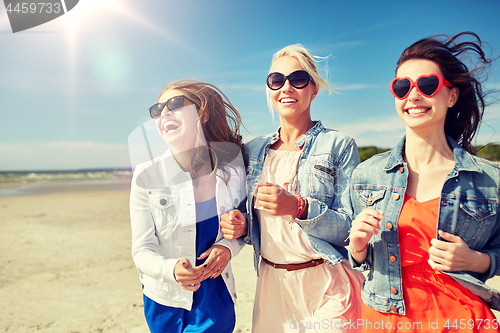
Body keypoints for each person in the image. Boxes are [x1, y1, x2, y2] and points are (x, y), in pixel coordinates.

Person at [349, 32, 500, 332]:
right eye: (402, 87)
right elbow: (363, 260)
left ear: (452, 95)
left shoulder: (489, 179)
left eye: (427, 85)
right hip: (386, 323)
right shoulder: (366, 176)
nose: (413, 96)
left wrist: (476, 261)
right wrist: (357, 247)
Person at [220, 44, 364, 332]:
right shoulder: (253, 149)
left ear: (314, 89)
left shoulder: (338, 144)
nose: (286, 87)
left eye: (298, 79)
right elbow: (251, 221)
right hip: (272, 285)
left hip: (327, 282)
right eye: (276, 80)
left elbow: (350, 228)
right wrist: (238, 223)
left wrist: (299, 207)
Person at [130, 79, 246, 333]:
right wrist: (170, 269)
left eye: (175, 104)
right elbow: (141, 250)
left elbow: (242, 230)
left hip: (215, 298)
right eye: (158, 110)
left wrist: (228, 247)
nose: (165, 113)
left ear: (201, 113)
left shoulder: (231, 172)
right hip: (164, 301)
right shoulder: (145, 175)